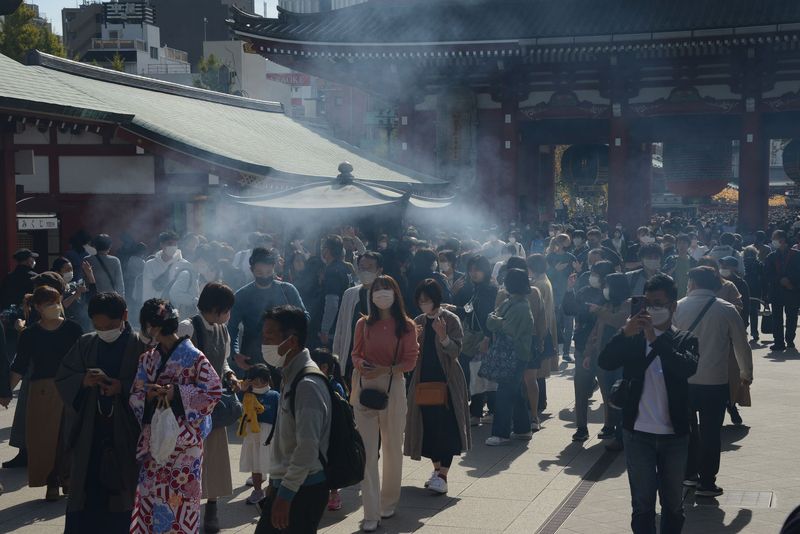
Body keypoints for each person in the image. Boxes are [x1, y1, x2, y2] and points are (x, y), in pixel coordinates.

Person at [598, 274, 700, 534]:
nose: (652, 308)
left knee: (673, 505)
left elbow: (685, 367)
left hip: (674, 435)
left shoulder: (685, 338)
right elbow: (606, 362)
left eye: (659, 303)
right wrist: (624, 332)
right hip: (637, 433)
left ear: (673, 306)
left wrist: (655, 339)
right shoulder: (633, 338)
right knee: (642, 505)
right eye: (648, 302)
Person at [55, 292, 146, 533]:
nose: (104, 330)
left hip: (126, 433)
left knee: (125, 490)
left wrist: (123, 386)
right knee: (87, 487)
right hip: (90, 430)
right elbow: (64, 376)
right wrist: (83, 381)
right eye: (98, 325)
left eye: (110, 325)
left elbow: (152, 386)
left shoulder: (141, 346)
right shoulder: (86, 343)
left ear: (124, 316)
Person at [129, 299, 222, 534]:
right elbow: (136, 395)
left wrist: (177, 393)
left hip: (184, 449)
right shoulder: (148, 358)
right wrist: (149, 395)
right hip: (156, 443)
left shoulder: (193, 357)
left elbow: (213, 391)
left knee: (180, 502)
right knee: (151, 499)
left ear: (153, 326)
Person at [674, 267, 753, 498]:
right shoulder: (726, 309)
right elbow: (741, 344)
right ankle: (707, 482)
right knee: (711, 432)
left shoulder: (677, 307)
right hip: (715, 381)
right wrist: (746, 374)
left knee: (686, 429)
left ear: (692, 283)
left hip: (683, 380)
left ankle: (688, 474)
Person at [255, 306, 332, 534]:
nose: (264, 342)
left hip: (302, 490)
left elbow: (307, 447)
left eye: (270, 336)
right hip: (287, 484)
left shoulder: (307, 384)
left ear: (292, 341)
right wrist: (275, 484)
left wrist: (285, 496)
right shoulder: (290, 375)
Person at [350, 275, 418, 532]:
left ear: (395, 293)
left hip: (393, 388)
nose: (381, 294)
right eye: (377, 290)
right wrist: (361, 365)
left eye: (386, 289)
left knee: (391, 448)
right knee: (367, 452)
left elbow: (410, 361)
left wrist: (385, 370)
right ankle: (370, 510)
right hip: (365, 388)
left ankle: (388, 502)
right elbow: (355, 353)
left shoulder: (407, 326)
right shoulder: (363, 323)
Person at [8, 286, 83, 500]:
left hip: (70, 387)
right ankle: (52, 481)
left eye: (56, 301)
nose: (54, 307)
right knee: (45, 440)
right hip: (41, 391)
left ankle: (67, 478)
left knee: (69, 436)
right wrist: (5, 392)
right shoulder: (30, 334)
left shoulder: (73, 329)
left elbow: (83, 359)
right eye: (49, 303)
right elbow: (19, 366)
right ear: (38, 307)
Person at [176, 281, 238, 532]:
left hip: (213, 407)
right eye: (227, 309)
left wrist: (230, 375)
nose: (229, 315)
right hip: (187, 406)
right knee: (185, 461)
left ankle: (211, 508)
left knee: (214, 459)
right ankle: (181, 510)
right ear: (216, 308)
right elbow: (176, 366)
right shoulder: (188, 328)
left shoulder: (223, 330)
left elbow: (223, 362)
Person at [405, 279, 469, 496]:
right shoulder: (418, 321)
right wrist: (413, 340)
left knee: (447, 429)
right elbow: (411, 355)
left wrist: (443, 337)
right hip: (423, 382)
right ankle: (436, 471)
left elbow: (456, 351)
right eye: (420, 301)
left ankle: (443, 475)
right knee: (428, 428)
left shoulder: (450, 319)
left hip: (447, 383)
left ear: (436, 299)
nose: (424, 304)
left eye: (427, 300)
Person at [229, 248, 308, 373]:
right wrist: (235, 354)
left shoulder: (288, 290)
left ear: (274, 268)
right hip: (254, 355)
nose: (265, 276)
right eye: (260, 273)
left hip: (285, 352)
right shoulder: (242, 296)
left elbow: (304, 318)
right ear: (252, 270)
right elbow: (231, 328)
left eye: (268, 272)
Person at [563, 261, 615, 442]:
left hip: (605, 348)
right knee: (581, 388)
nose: (592, 276)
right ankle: (581, 427)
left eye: (596, 273)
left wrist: (591, 311)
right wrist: (569, 290)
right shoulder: (584, 291)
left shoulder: (613, 294)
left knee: (607, 390)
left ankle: (609, 425)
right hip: (582, 345)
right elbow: (570, 309)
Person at [485, 268, 535, 446]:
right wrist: (498, 321)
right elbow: (492, 321)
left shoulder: (520, 306)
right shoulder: (510, 302)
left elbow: (507, 327)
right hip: (512, 353)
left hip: (515, 354)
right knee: (514, 392)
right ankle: (523, 429)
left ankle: (501, 433)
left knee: (504, 393)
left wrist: (496, 320)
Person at [584, 273, 631, 451]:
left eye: (607, 286)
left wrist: (599, 311)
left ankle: (622, 436)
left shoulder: (629, 304)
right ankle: (612, 428)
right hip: (604, 357)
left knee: (621, 396)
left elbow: (620, 321)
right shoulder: (606, 304)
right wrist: (589, 353)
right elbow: (596, 332)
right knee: (609, 396)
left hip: (622, 359)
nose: (605, 289)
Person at [453, 255, 498, 425]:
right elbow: (469, 310)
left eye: (477, 269)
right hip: (475, 338)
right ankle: (477, 412)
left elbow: (490, 315)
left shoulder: (489, 289)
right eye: (471, 269)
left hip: (484, 339)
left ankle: (485, 411)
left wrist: (487, 338)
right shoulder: (476, 288)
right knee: (477, 374)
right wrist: (454, 303)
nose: (473, 273)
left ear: (485, 270)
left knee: (482, 375)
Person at [332, 251, 383, 381]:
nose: (365, 271)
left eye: (369, 267)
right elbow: (341, 327)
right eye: (361, 267)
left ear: (379, 270)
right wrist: (336, 355)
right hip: (351, 358)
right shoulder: (349, 294)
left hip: (378, 361)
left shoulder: (386, 294)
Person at [309, 348, 347, 511]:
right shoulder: (312, 382)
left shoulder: (334, 386)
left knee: (331, 465)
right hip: (316, 430)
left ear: (323, 367)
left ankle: (334, 494)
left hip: (332, 432)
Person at [238, 364, 279, 505]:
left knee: (272, 463)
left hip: (269, 435)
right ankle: (257, 490)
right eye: (253, 379)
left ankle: (273, 490)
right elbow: (239, 408)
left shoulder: (274, 395)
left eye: (258, 379)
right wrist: (242, 390)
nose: (256, 383)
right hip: (252, 435)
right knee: (255, 463)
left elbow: (280, 417)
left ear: (266, 379)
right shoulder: (248, 395)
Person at [763, 230, 800, 351]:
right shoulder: (771, 256)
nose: (773, 241)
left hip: (792, 290)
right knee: (777, 318)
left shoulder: (796, 255)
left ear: (782, 240)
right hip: (776, 290)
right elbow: (767, 274)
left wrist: (790, 282)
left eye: (775, 238)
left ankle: (790, 339)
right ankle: (778, 341)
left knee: (792, 317)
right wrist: (780, 280)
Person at [546, 234, 577, 363]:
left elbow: (576, 273)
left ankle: (565, 353)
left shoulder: (570, 257)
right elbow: (545, 275)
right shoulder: (549, 257)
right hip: (554, 294)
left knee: (569, 325)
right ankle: (554, 352)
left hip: (568, 294)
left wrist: (578, 271)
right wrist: (555, 269)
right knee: (555, 325)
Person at [318, 235, 353, 347]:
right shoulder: (345, 268)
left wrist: (325, 329)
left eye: (323, 248)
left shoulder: (332, 271)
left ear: (327, 251)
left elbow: (332, 303)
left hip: (334, 329)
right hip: (346, 321)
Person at [141, 231, 192, 301]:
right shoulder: (150, 264)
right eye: (170, 244)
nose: (173, 247)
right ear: (162, 245)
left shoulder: (185, 264)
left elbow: (191, 291)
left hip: (176, 309)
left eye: (175, 244)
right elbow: (146, 291)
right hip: (157, 307)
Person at [743, 246, 765, 342]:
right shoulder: (758, 264)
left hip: (743, 289)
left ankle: (743, 330)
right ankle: (754, 332)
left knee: (743, 312)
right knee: (754, 312)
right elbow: (764, 277)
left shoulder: (742, 263)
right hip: (756, 290)